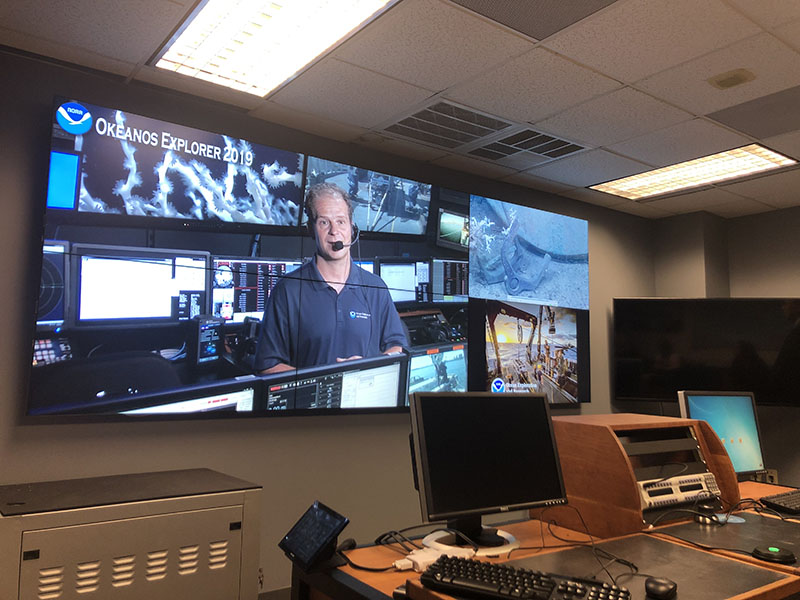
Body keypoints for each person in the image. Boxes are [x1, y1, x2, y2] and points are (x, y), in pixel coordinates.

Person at [254, 182, 407, 373]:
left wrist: (368, 368)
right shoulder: (287, 290)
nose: (335, 231)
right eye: (324, 222)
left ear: (352, 228)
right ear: (311, 229)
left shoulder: (376, 287)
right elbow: (267, 366)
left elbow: (397, 348)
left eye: (341, 221)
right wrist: (324, 378)